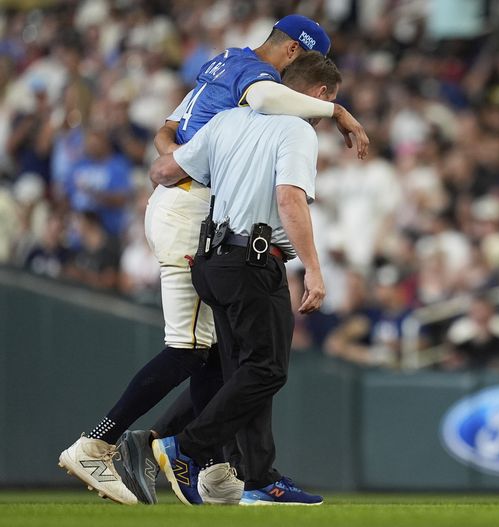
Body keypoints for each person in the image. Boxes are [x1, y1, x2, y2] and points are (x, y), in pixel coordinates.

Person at [58, 15, 368, 507]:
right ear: (292, 54)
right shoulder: (259, 85)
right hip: (195, 217)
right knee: (190, 348)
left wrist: (190, 165)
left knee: (215, 351)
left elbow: (164, 141)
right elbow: (268, 106)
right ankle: (105, 443)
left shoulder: (221, 71)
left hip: (183, 201)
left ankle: (216, 468)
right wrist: (339, 113)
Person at [145, 52, 339, 506]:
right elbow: (290, 200)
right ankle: (183, 444)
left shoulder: (228, 120)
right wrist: (313, 268)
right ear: (321, 95)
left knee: (243, 370)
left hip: (211, 258)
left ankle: (255, 478)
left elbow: (162, 171)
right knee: (267, 370)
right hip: (253, 259)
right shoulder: (295, 129)